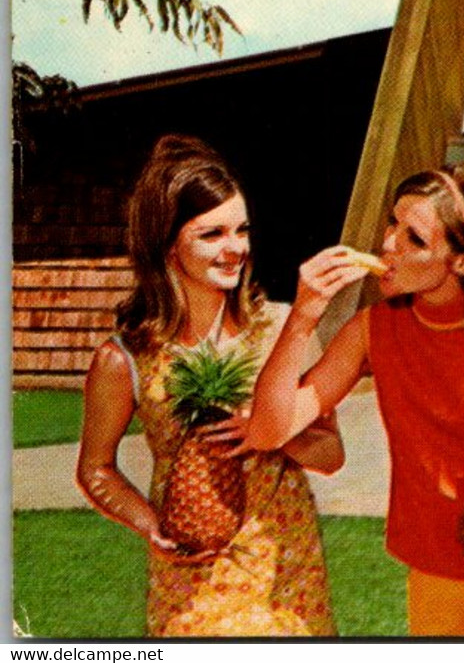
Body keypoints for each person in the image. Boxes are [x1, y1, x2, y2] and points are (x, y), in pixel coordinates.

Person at [247, 162, 464, 637]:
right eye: (393, 223)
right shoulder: (373, 329)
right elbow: (269, 430)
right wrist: (304, 315)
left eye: (415, 239)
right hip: (433, 579)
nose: (388, 245)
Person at [76, 135, 341, 637]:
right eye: (212, 234)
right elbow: (95, 468)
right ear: (166, 242)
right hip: (190, 583)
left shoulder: (283, 331)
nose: (235, 248)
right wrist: (147, 521)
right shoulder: (124, 357)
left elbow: (330, 455)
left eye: (242, 230)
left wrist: (269, 429)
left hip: (287, 581)